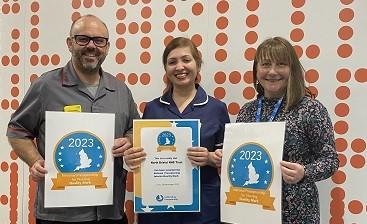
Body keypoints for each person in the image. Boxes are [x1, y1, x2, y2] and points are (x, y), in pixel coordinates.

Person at [6, 14, 140, 224]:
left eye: (99, 40)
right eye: (83, 39)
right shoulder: (46, 86)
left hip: (110, 211)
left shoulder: (121, 90)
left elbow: (133, 129)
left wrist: (129, 140)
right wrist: (35, 161)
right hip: (60, 214)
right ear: (70, 43)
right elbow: (17, 131)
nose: (91, 46)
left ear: (107, 46)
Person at [123, 37, 230, 224]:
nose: (179, 67)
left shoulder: (217, 108)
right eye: (172, 62)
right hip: (157, 211)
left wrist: (211, 158)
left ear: (197, 64)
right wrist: (131, 158)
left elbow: (229, 160)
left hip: (204, 209)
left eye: (186, 60)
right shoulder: (152, 108)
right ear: (166, 68)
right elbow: (143, 158)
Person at [236, 36, 339, 223]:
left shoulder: (311, 109)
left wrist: (304, 172)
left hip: (297, 213)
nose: (273, 71)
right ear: (256, 70)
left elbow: (330, 160)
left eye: (281, 64)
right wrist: (226, 157)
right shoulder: (247, 111)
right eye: (266, 64)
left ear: (292, 69)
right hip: (254, 207)